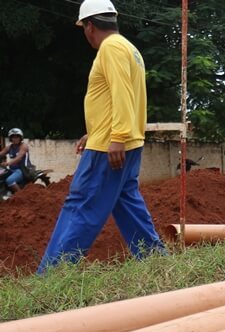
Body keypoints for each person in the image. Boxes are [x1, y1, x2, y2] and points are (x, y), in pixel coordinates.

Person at [38, 0, 165, 272]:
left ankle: (52, 275)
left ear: (90, 26)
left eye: (84, 28)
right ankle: (156, 262)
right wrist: (96, 132)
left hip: (111, 146)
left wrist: (115, 136)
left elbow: (122, 93)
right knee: (128, 204)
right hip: (124, 142)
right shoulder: (129, 49)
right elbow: (117, 99)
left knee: (81, 205)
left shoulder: (110, 49)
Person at [0, 128, 32, 196]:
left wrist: (8, 163)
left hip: (22, 170)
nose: (15, 139)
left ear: (20, 137)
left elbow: (19, 158)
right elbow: (1, 153)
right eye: (13, 137)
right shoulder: (9, 147)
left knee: (9, 180)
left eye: (17, 136)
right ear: (10, 138)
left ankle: (21, 197)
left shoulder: (23, 146)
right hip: (12, 170)